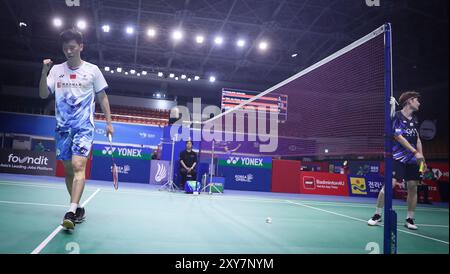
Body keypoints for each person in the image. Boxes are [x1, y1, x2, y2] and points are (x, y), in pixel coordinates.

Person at [39, 28, 113, 231]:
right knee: (69, 170)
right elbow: (44, 94)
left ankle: (70, 211)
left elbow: (102, 97)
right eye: (65, 48)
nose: (68, 52)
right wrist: (44, 73)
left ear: (81, 47)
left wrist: (108, 122)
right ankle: (78, 206)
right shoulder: (56, 70)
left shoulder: (92, 70)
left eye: (72, 47)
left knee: (78, 165)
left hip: (84, 127)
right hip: (62, 128)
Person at [368, 91, 425, 230]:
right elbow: (398, 136)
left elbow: (417, 139)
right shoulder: (397, 116)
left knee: (413, 186)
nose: (419, 103)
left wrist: (421, 158)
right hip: (397, 158)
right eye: (417, 100)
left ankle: (410, 219)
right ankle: (377, 214)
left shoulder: (415, 119)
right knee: (389, 185)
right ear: (410, 101)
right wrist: (415, 152)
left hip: (413, 160)